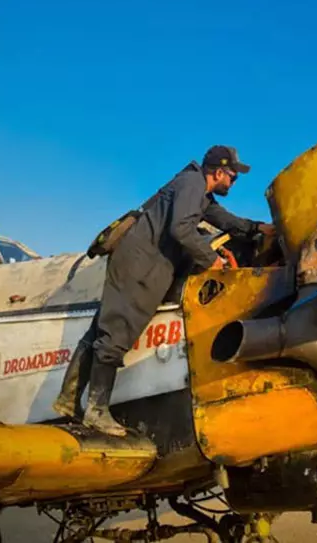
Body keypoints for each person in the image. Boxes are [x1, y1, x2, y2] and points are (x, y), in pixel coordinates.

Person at [53, 145, 276, 436]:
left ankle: (69, 401)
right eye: (233, 177)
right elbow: (180, 230)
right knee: (115, 336)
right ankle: (97, 411)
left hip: (138, 264)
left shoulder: (198, 190)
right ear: (219, 172)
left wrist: (258, 228)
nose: (234, 183)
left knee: (100, 332)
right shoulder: (192, 184)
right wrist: (213, 260)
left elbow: (224, 220)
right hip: (140, 267)